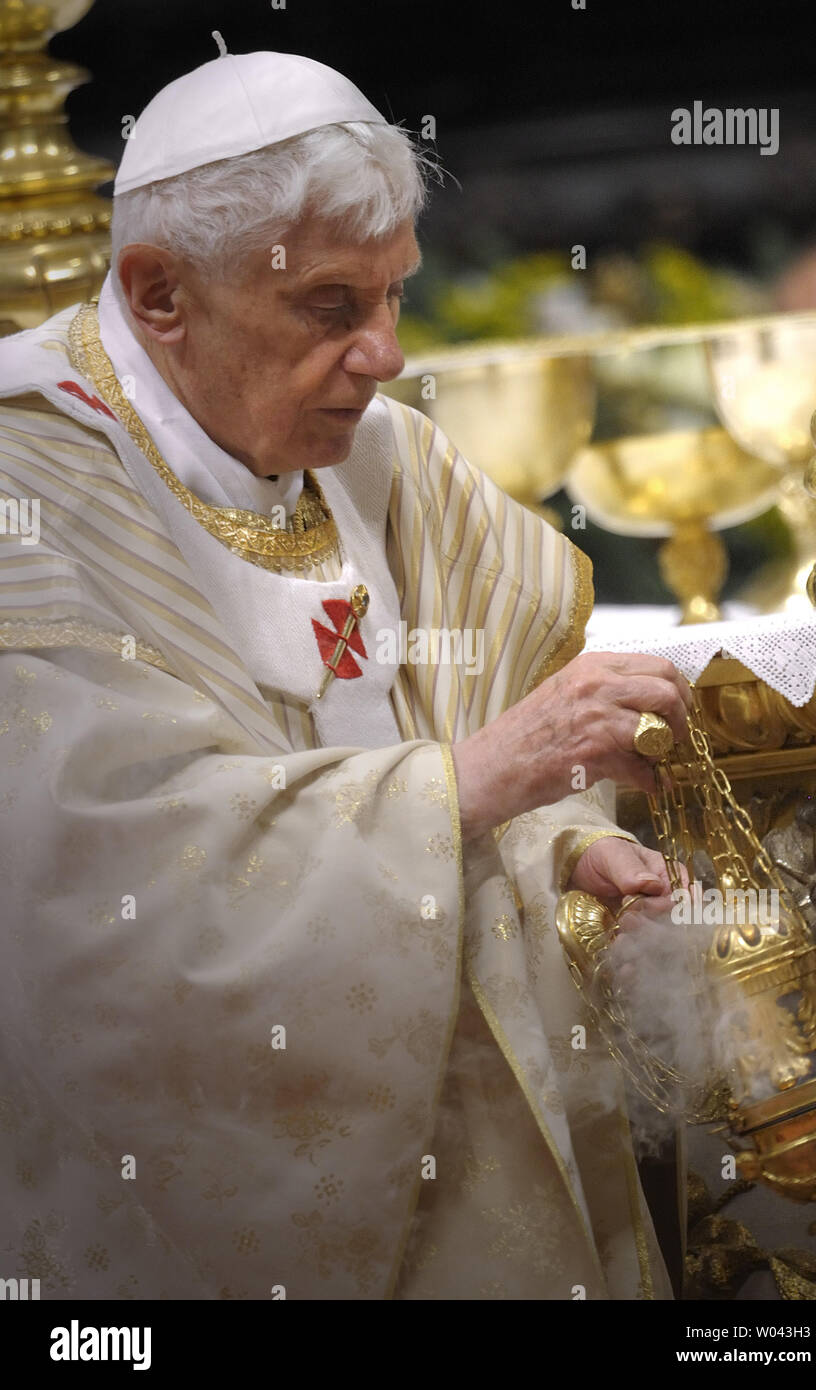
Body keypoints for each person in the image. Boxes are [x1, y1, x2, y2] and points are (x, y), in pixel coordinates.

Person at [0, 48, 690, 1300]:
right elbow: (88, 891)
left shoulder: (392, 463)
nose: (383, 354)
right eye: (330, 306)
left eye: (393, 295)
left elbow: (514, 742)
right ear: (159, 294)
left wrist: (566, 847)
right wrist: (470, 784)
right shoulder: (26, 495)